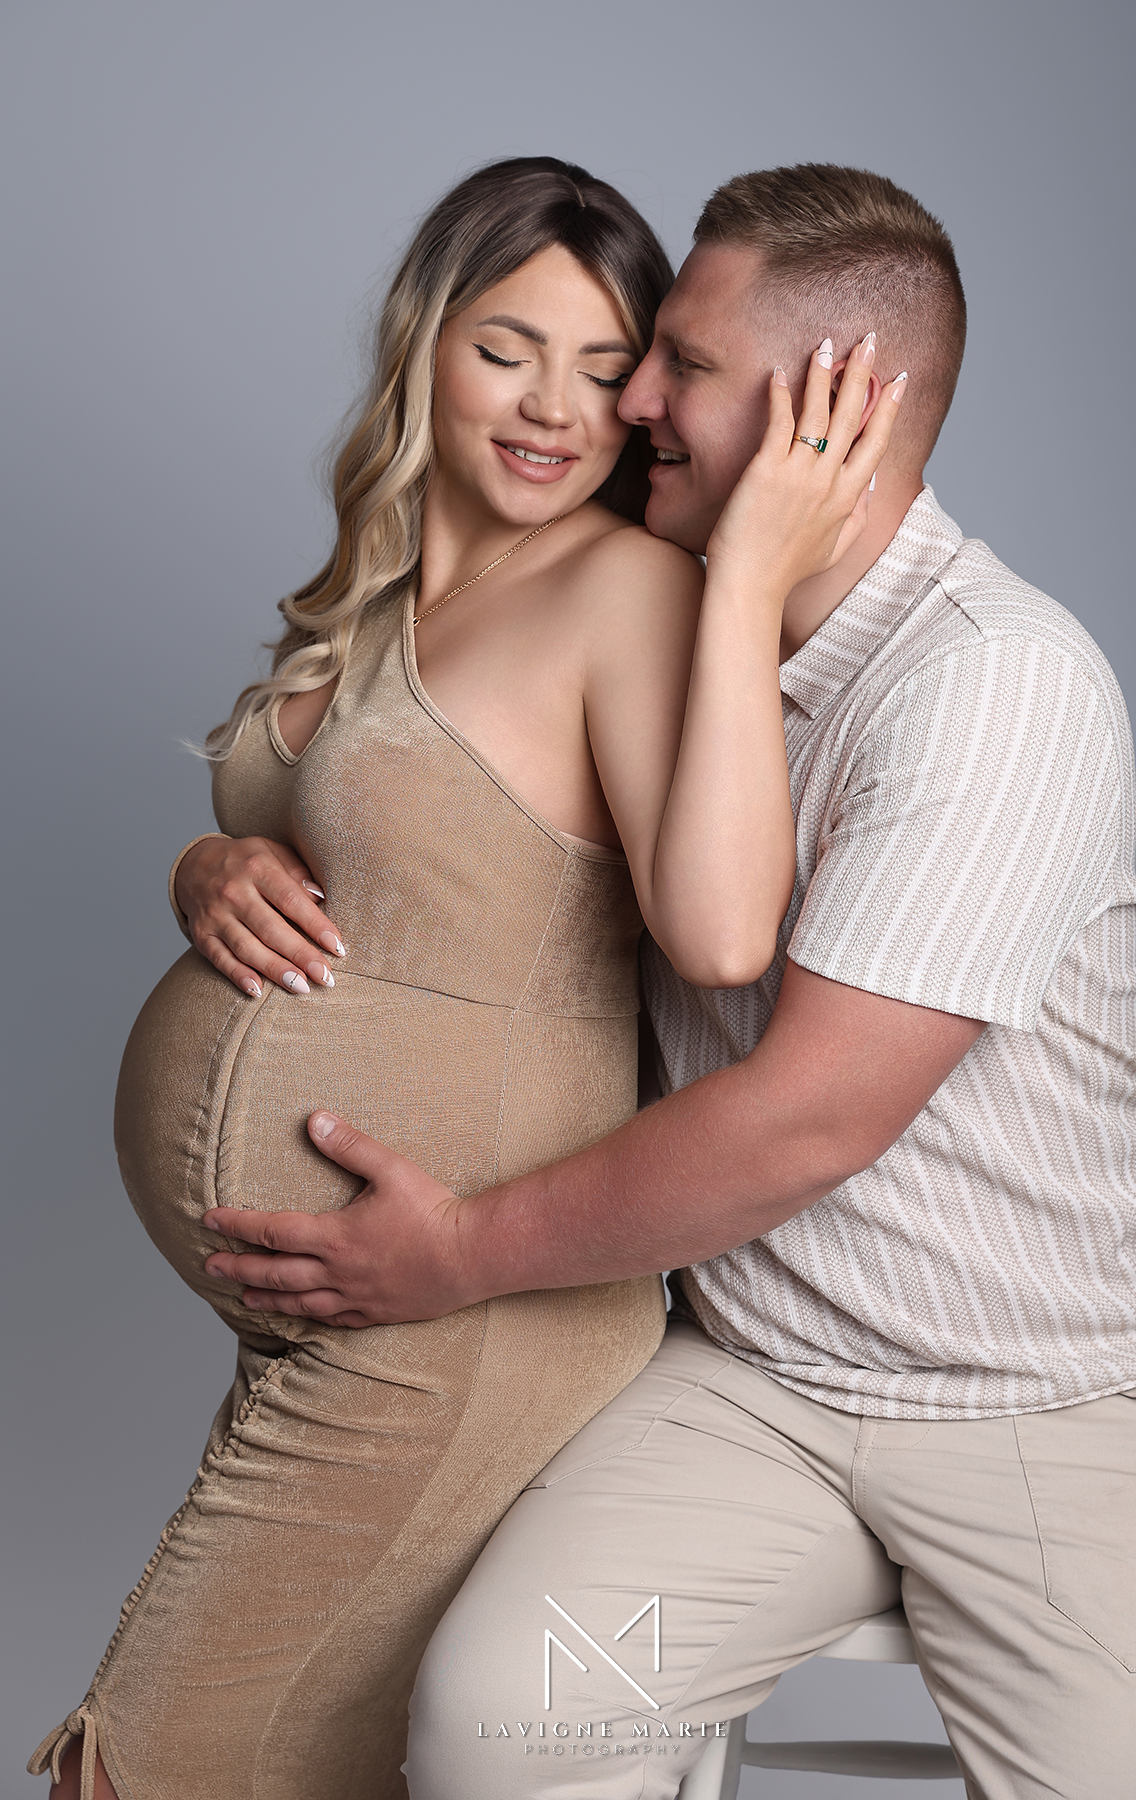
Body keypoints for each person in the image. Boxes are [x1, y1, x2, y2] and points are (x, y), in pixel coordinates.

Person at [192, 164, 1136, 1799]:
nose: (631, 402)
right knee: (503, 1737)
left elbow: (803, 1121)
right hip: (754, 1386)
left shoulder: (996, 682)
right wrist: (211, 860)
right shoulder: (631, 606)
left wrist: (456, 1254)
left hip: (1042, 1405)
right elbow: (390, 812)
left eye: (683, 369)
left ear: (837, 411)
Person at [30, 158, 898, 1800]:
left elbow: (720, 935)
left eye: (599, 365)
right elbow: (333, 834)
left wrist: (748, 580)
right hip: (335, 1321)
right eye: (509, 348)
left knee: (141, 1768)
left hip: (464, 1326)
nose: (553, 409)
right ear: (425, 341)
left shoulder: (624, 591)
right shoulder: (373, 592)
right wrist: (198, 868)